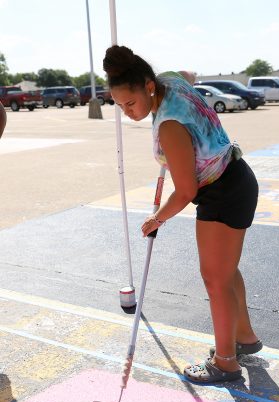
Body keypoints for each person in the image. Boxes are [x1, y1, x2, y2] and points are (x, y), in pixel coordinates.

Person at [103, 45, 262, 384]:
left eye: (130, 104)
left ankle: (226, 363)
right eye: (120, 107)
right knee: (225, 271)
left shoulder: (169, 126)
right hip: (235, 177)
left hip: (222, 191)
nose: (129, 113)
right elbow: (189, 74)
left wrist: (157, 218)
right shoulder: (170, 80)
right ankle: (244, 337)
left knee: (215, 278)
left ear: (147, 86)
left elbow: (186, 190)